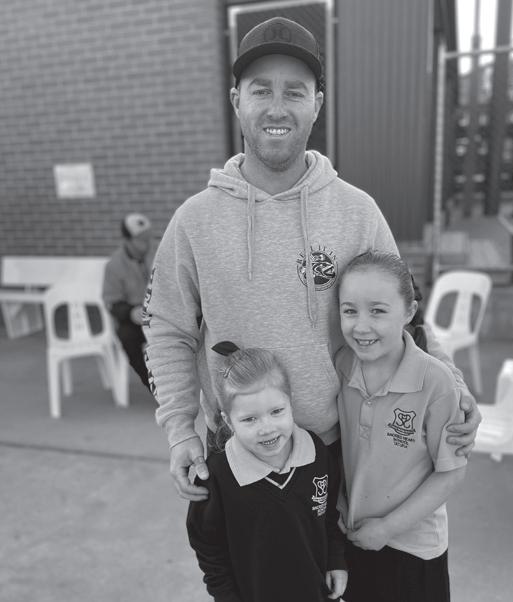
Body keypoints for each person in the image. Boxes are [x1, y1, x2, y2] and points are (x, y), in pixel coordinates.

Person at [143, 16, 480, 501]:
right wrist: (180, 429)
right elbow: (167, 328)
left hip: (342, 447)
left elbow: (406, 317)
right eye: (261, 90)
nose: (276, 107)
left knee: (346, 555)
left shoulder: (357, 212)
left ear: (317, 104)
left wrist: (454, 385)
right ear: (236, 101)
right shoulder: (194, 220)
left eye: (295, 92)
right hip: (236, 452)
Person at [335, 250, 467, 602]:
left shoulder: (436, 381)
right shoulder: (341, 365)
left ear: (409, 312)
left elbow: (451, 473)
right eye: (349, 311)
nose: (361, 326)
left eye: (378, 311)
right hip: (354, 536)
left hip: (413, 549)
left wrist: (387, 528)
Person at [186, 343, 347, 602]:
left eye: (276, 412)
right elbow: (208, 547)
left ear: (290, 401)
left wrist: (335, 560)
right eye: (250, 419)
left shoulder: (316, 452)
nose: (267, 428)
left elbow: (329, 517)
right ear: (228, 421)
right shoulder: (217, 475)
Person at [103, 212, 154, 388]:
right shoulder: (114, 265)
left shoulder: (157, 254)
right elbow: (111, 303)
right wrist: (131, 312)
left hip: (160, 314)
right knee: (127, 338)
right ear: (127, 240)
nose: (147, 243)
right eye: (141, 239)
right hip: (134, 318)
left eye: (148, 237)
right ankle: (152, 384)